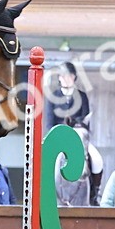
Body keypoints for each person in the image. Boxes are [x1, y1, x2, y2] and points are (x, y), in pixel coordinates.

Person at [44, 61, 103, 203]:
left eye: (69, 76)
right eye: (63, 76)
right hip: (59, 139)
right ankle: (42, 193)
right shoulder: (53, 97)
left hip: (79, 138)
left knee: (97, 159)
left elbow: (85, 118)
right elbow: (49, 122)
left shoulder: (81, 96)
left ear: (74, 77)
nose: (66, 78)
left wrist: (77, 129)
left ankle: (94, 193)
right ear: (59, 77)